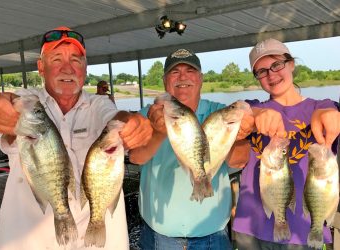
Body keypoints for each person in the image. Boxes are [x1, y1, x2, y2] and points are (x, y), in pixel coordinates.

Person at [0, 26, 153, 250]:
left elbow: (116, 117)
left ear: (85, 68)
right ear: (41, 67)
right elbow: (6, 102)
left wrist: (132, 122)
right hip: (29, 242)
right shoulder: (30, 102)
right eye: (56, 59)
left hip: (99, 242)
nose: (67, 69)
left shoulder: (99, 104)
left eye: (76, 60)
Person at [129, 48, 254, 250]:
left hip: (213, 235)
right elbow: (135, 157)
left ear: (201, 78)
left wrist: (235, 136)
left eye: (190, 70)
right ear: (164, 80)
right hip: (160, 237)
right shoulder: (150, 114)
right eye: (174, 72)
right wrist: (158, 133)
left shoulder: (219, 113)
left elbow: (239, 161)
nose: (182, 77)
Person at [232, 38, 340, 249]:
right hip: (251, 227)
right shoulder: (253, 107)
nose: (271, 74)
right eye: (261, 71)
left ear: (291, 64)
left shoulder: (322, 105)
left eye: (276, 64)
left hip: (304, 230)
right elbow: (236, 111)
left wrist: (331, 114)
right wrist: (256, 113)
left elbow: (332, 113)